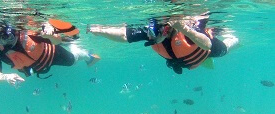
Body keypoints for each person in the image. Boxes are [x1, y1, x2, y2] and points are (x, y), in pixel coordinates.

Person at [87, 15, 238, 74]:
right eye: (161, 28)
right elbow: (124, 35)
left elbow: (207, 45)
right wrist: (100, 30)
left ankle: (232, 38)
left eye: (166, 28)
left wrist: (184, 28)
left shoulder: (187, 28)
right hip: (185, 60)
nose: (163, 31)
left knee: (230, 45)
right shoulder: (153, 32)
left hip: (205, 51)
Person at [0, 19, 101, 86]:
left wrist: (52, 35)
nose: (5, 43)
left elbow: (57, 41)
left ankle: (87, 56)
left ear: (12, 31)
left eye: (7, 37)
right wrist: (6, 77)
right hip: (34, 69)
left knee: (73, 60)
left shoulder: (27, 34)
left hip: (51, 54)